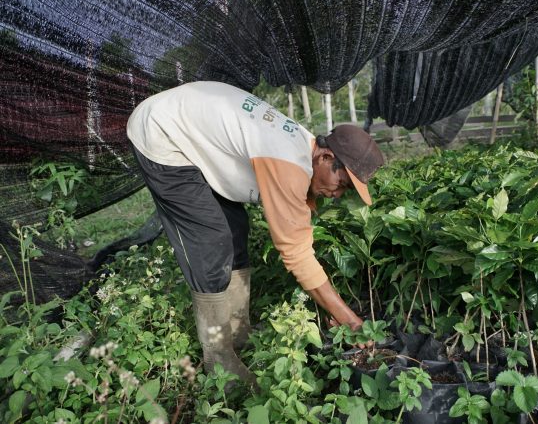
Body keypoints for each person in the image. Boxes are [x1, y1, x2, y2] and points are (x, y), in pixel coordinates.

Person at [126, 81, 384, 384]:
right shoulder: (288, 161)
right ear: (326, 158)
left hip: (194, 135)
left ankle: (238, 332)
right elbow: (296, 253)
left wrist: (330, 306)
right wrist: (349, 319)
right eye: (341, 184)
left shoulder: (302, 149)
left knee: (235, 229)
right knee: (211, 239)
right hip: (162, 135)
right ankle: (219, 358)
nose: (338, 194)